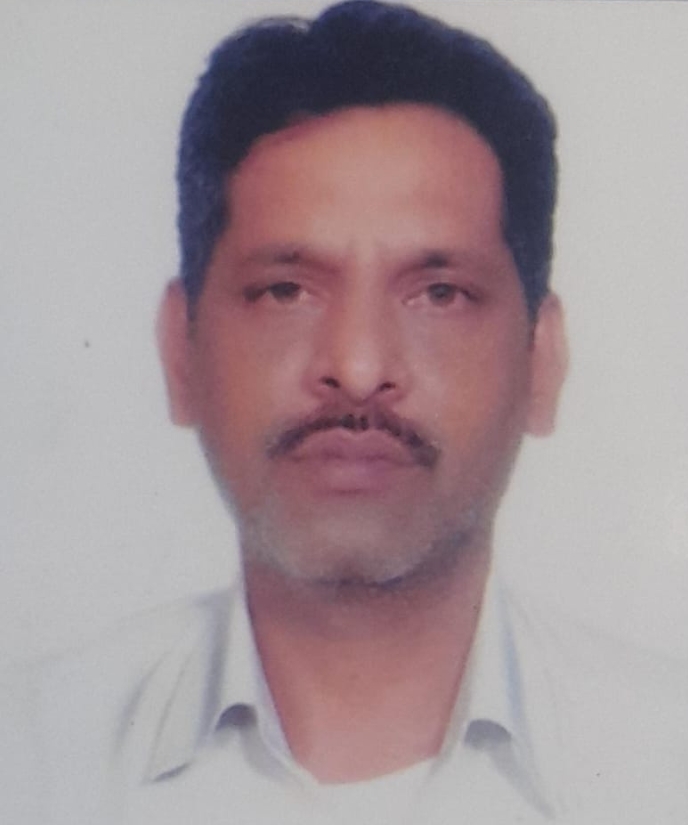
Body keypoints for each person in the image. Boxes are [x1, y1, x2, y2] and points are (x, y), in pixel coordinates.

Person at [12, 2, 687, 823]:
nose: (359, 369)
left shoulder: (666, 761)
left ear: (541, 362)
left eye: (440, 294)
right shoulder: (31, 758)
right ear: (180, 352)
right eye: (285, 291)